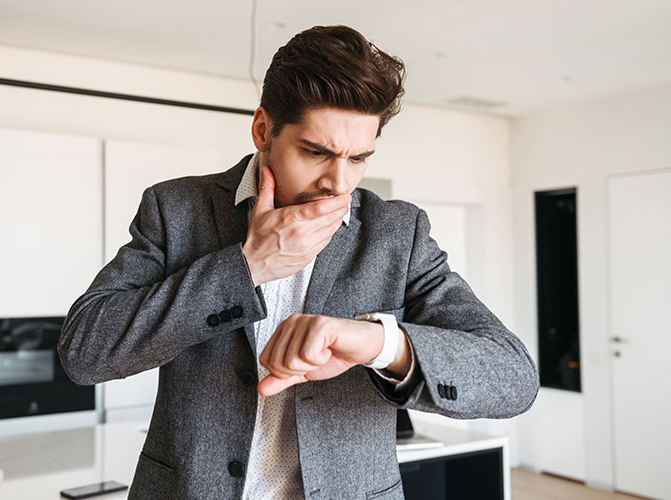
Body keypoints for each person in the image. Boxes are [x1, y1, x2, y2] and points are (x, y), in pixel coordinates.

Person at [58, 25, 539, 500]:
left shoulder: (397, 233)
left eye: (358, 158)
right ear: (263, 129)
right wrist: (246, 267)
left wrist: (379, 343)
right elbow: (84, 352)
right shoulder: (177, 209)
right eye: (316, 152)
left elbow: (513, 378)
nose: (338, 183)